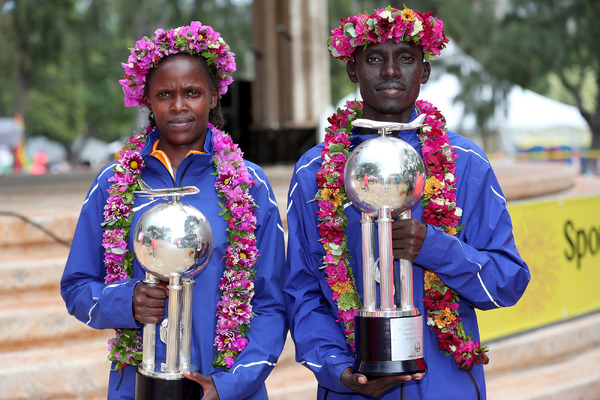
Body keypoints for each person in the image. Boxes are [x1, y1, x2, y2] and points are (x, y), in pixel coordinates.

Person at [285, 6, 530, 400]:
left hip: (446, 387)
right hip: (353, 388)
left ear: (425, 71)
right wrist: (340, 370)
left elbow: (508, 281)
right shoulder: (315, 171)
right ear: (353, 70)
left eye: (406, 58)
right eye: (374, 58)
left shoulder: (465, 163)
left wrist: (434, 247)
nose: (390, 71)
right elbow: (302, 291)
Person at [61, 21, 287, 400]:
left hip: (224, 387)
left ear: (214, 97)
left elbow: (271, 302)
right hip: (137, 385)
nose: (179, 105)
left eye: (193, 92)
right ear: (146, 99)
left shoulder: (250, 184)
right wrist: (126, 302)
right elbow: (77, 287)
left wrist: (229, 386)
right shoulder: (113, 184)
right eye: (165, 93)